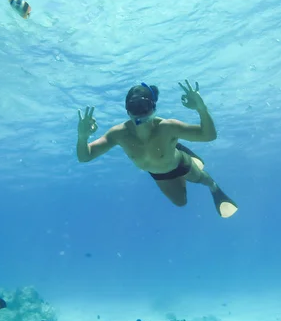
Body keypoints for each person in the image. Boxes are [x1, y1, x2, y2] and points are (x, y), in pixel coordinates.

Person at [76, 80, 238, 218]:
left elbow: (209, 136)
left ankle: (214, 186)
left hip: (180, 163)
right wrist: (82, 137)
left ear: (153, 107)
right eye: (135, 107)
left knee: (202, 179)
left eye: (144, 105)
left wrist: (201, 108)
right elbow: (85, 156)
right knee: (181, 202)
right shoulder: (119, 134)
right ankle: (176, 147)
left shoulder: (168, 127)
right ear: (127, 110)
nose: (140, 113)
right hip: (159, 174)